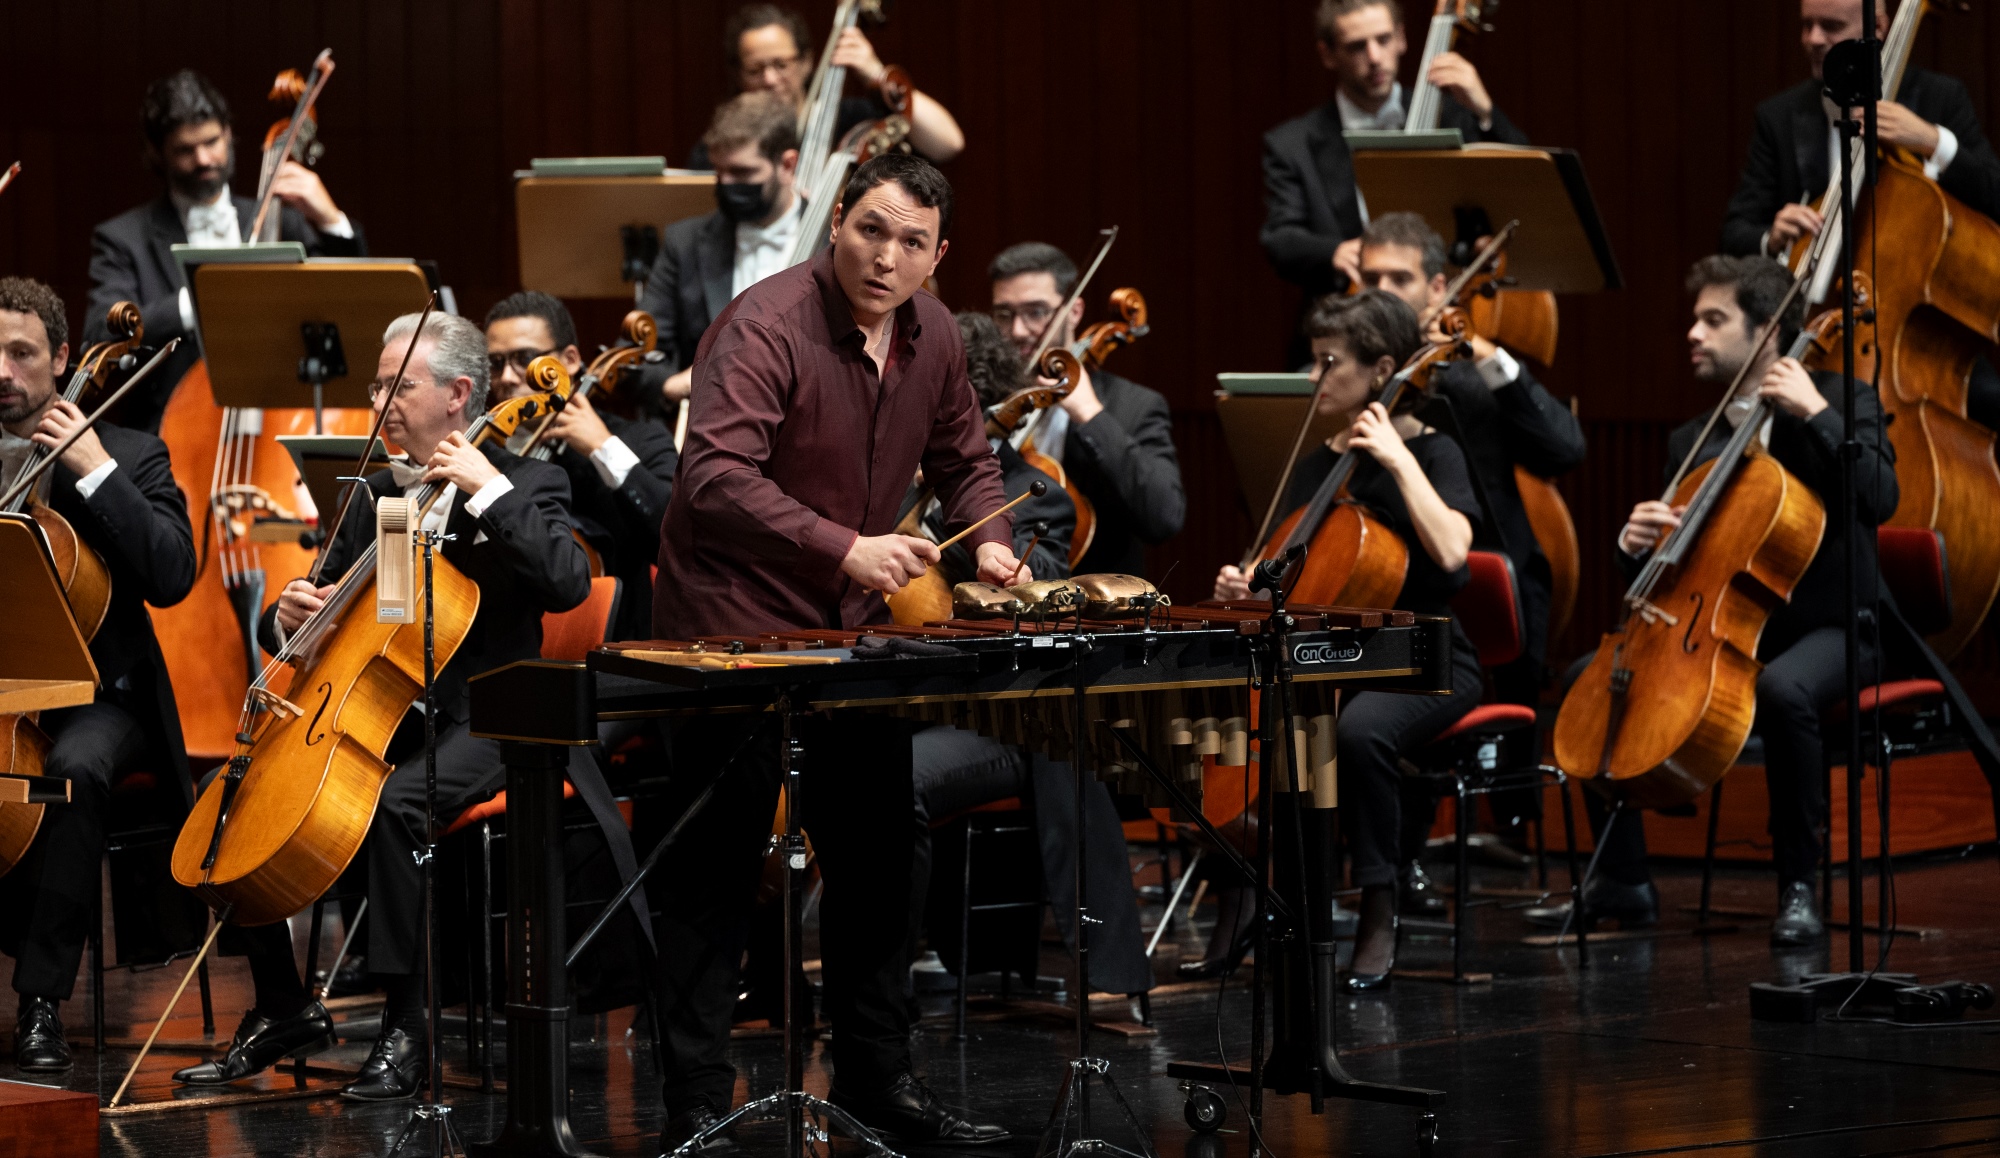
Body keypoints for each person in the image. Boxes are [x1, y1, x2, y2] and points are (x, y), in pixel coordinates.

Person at [650, 154, 1019, 1152]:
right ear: (837, 221)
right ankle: (695, 1098)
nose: (885, 257)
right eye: (871, 230)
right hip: (732, 621)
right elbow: (713, 478)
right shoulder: (765, 324)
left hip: (849, 631)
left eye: (911, 243)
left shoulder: (935, 333)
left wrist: (990, 539)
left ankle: (876, 1080)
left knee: (880, 852)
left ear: (938, 258)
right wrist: (843, 544)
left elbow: (966, 457)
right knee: (716, 864)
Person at [171, 312, 593, 1099]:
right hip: (385, 707)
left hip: (492, 712)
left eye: (398, 387)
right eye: (375, 386)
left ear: (458, 394)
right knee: (229, 796)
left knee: (399, 804)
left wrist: (487, 489)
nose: (378, 403)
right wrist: (287, 615)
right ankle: (283, 1005)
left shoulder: (527, 482)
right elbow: (321, 611)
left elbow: (567, 583)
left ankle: (407, 1027)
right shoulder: (378, 493)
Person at [1526, 256, 1899, 945]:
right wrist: (1635, 543)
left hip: (1835, 626)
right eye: (1695, 319)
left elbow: (1881, 498)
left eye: (1713, 319)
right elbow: (1680, 570)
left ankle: (1798, 885)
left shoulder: (1843, 400)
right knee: (1590, 678)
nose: (1693, 333)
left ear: (1767, 333)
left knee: (1784, 690)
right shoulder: (1694, 438)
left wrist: (1817, 415)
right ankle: (1623, 879)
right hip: (1724, 629)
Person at [1211, 291, 1484, 991]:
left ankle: (1379, 906)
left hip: (1429, 658)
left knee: (1356, 734)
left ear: (1383, 370)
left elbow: (1453, 554)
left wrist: (1397, 460)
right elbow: (1283, 580)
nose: (1314, 376)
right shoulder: (1316, 466)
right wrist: (1245, 588)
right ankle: (1271, 899)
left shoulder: (1434, 451)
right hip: (1335, 660)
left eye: (1329, 362)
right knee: (1265, 725)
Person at [900, 312, 1150, 1004]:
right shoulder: (884, 479)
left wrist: (948, 526)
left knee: (893, 783)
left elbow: (1042, 590)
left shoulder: (1034, 493)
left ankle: (885, 989)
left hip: (997, 718)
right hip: (896, 696)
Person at [1354, 212, 1586, 911]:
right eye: (1371, 277)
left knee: (1494, 703)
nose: (1383, 290)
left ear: (1438, 287)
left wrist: (1487, 355)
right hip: (1404, 577)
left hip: (1494, 562)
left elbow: (1563, 449)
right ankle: (1394, 862)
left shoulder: (1472, 369)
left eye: (1399, 278)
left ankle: (1515, 837)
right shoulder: (1361, 367)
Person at [0, 278, 197, 1070]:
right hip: (9, 692)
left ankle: (41, 1002)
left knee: (72, 770)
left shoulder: (132, 451)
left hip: (100, 696)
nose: (3, 371)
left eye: (21, 353)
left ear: (63, 359)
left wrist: (92, 467)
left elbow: (173, 574)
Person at [1718, 0, 2000, 432]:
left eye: (1831, 26)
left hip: (1918, 336)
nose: (1814, 39)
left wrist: (1932, 140)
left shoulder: (1940, 98)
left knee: (1990, 400)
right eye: (1807, 25)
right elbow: (1734, 233)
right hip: (1820, 332)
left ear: (1879, 28)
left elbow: (1993, 194)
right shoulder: (1779, 116)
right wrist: (1771, 236)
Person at [86, 70, 366, 434]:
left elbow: (351, 307)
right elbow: (99, 333)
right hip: (170, 434)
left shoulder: (284, 222)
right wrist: (206, 296)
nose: (203, 159)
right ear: (156, 153)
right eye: (185, 150)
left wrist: (330, 220)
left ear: (229, 134)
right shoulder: (122, 239)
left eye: (211, 141)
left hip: (280, 424)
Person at [1260, 0, 1529, 312]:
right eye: (1357, 46)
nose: (1374, 57)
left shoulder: (1452, 117)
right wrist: (1334, 252)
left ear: (1401, 38)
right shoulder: (1292, 144)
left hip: (1452, 310)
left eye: (1383, 39)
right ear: (1327, 54)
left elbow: (1524, 187)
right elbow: (1281, 238)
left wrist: (1485, 112)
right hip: (1348, 316)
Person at [484, 291, 678, 642]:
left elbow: (676, 540)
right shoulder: (484, 454)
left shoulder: (639, 439)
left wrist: (603, 449)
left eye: (524, 359)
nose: (508, 377)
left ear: (570, 360)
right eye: (496, 363)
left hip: (619, 647)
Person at [987, 242, 1185, 577]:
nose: (1017, 330)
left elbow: (1164, 517)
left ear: (1074, 311)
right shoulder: (986, 397)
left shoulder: (1135, 406)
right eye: (1004, 315)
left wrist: (1090, 414)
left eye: (1036, 312)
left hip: (1094, 598)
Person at [640, 92, 806, 417]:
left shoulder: (838, 240)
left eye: (742, 173)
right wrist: (672, 384)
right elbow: (636, 360)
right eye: (720, 172)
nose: (727, 185)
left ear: (788, 165)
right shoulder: (684, 244)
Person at [685, 3, 965, 171]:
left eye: (781, 65)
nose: (769, 79)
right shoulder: (723, 147)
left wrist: (878, 74)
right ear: (738, 76)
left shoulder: (852, 119)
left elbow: (947, 143)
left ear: (807, 63)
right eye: (755, 70)